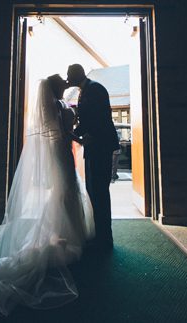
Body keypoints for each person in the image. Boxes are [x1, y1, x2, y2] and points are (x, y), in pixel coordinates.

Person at [0, 75, 94, 318]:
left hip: (64, 151)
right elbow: (62, 133)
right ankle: (64, 235)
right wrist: (79, 139)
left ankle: (63, 234)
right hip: (62, 152)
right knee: (64, 192)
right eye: (61, 81)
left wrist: (75, 138)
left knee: (66, 192)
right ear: (55, 87)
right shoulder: (54, 106)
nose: (66, 81)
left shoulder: (59, 104)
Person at [67, 64, 120, 250]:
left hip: (101, 146)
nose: (67, 78)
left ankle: (105, 239)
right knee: (94, 191)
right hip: (94, 147)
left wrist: (87, 135)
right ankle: (100, 235)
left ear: (76, 75)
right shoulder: (85, 90)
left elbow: (101, 118)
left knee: (100, 192)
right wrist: (72, 131)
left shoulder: (95, 89)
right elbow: (85, 119)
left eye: (69, 75)